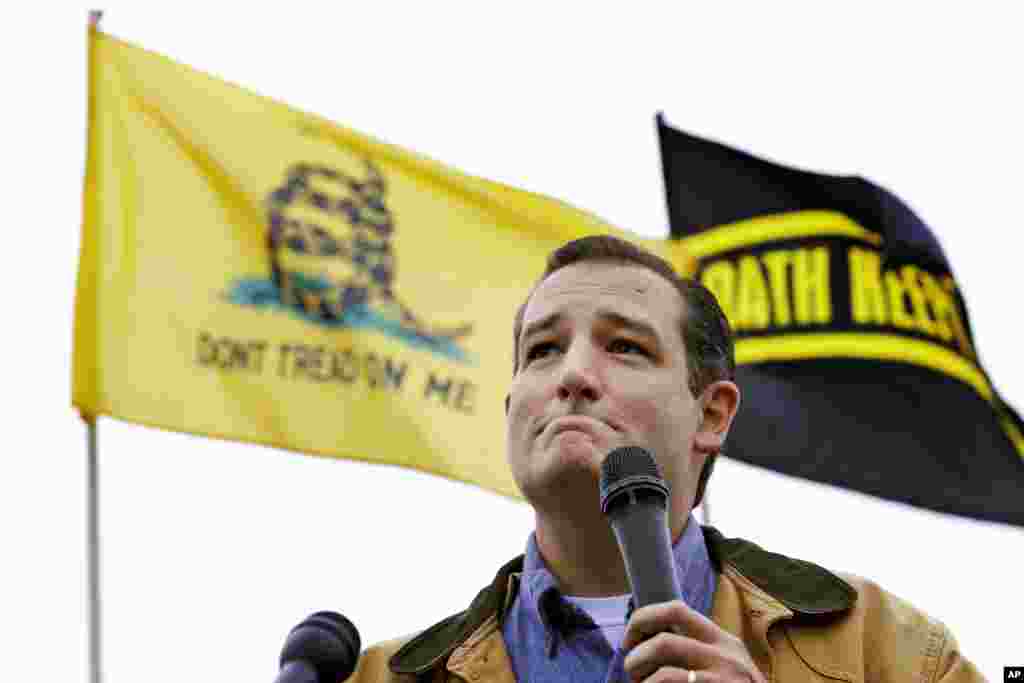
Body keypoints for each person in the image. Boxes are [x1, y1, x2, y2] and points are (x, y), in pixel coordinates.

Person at [347, 235, 981, 683]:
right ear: (511, 406)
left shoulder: (883, 649)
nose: (572, 375)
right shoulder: (368, 677)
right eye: (542, 350)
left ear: (711, 415)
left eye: (624, 346)